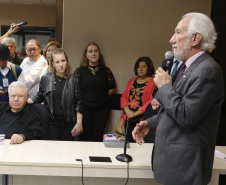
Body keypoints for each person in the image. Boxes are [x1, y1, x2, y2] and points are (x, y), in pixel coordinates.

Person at [132, 12, 224, 185]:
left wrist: (165, 86)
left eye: (178, 32)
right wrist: (149, 124)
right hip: (174, 165)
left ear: (195, 38)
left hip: (186, 168)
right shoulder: (187, 68)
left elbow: (186, 115)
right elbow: (172, 110)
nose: (172, 39)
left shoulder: (208, 70)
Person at [28, 48, 83, 141]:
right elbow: (40, 96)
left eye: (63, 61)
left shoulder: (74, 80)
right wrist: (24, 101)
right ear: (52, 64)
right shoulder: (46, 78)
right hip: (51, 122)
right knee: (52, 150)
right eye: (57, 62)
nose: (61, 65)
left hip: (69, 122)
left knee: (66, 150)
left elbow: (79, 103)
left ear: (67, 61)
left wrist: (79, 123)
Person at [74, 42, 116, 142]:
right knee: (83, 138)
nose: (93, 54)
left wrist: (103, 97)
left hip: (101, 111)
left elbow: (112, 87)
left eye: (96, 51)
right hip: (84, 111)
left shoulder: (106, 71)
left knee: (97, 138)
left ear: (99, 53)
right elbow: (74, 90)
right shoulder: (79, 71)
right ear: (86, 55)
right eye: (90, 51)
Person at [121, 56, 155, 142]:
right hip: (129, 118)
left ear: (149, 68)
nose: (140, 69)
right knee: (129, 144)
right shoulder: (131, 81)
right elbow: (123, 97)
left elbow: (151, 100)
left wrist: (136, 113)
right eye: (138, 67)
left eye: (143, 67)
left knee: (141, 143)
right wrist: (128, 111)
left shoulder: (153, 82)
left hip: (143, 120)